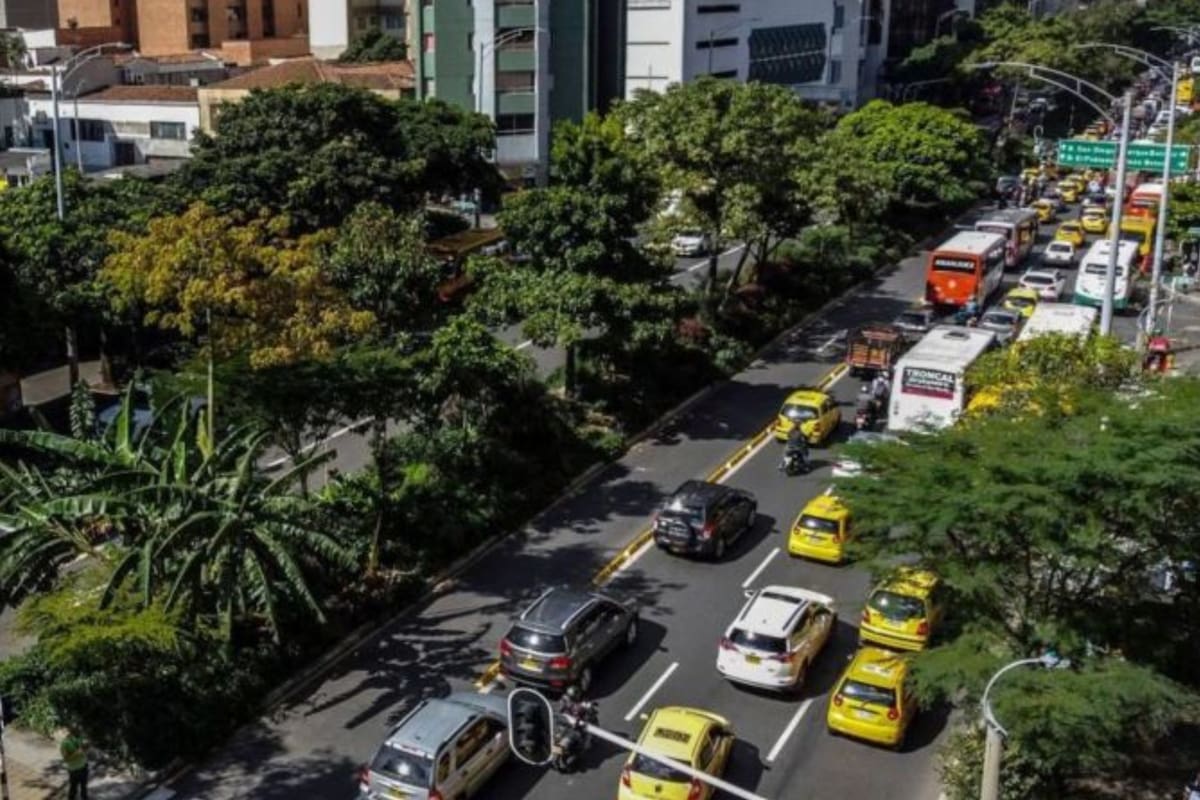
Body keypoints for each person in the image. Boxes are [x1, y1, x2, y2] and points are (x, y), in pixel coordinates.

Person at [61, 728, 88, 800]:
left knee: (84, 787)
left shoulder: (80, 737)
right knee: (73, 789)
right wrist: (76, 753)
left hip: (84, 766)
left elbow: (85, 749)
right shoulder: (65, 743)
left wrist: (86, 746)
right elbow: (66, 759)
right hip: (74, 770)